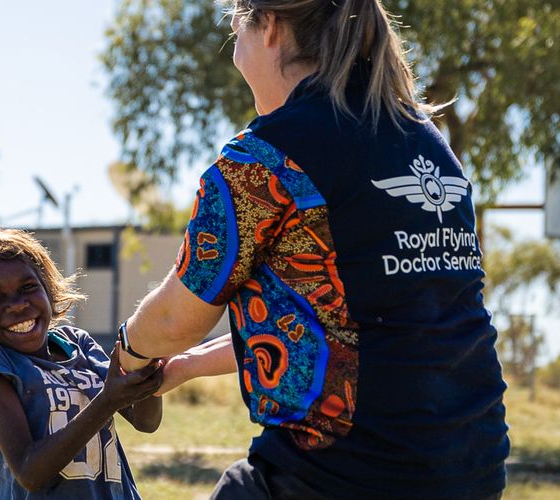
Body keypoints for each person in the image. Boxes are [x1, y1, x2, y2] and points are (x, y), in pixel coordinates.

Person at [117, 0, 509, 498]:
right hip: (472, 462)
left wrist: (128, 353)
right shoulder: (426, 143)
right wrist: (187, 367)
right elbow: (344, 325)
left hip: (347, 469)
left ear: (271, 28)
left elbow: (178, 318)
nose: (234, 51)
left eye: (237, 30)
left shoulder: (265, 158)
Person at [0, 226, 165, 499]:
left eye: (28, 287)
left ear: (49, 289)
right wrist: (107, 400)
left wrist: (146, 354)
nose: (18, 305)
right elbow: (29, 473)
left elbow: (145, 421)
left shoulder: (77, 344)